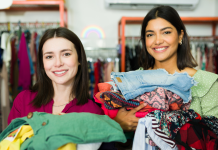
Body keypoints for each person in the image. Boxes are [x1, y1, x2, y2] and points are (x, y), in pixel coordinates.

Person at [114, 5, 218, 132]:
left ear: (180, 36)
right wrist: (117, 125)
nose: (157, 41)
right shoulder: (130, 79)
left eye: (166, 32)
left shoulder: (208, 82)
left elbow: (214, 136)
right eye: (150, 34)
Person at [8, 27, 104, 124]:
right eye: (49, 56)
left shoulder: (94, 113)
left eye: (66, 54)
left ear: (79, 59)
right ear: (42, 63)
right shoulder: (23, 101)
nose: (58, 63)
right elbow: (9, 138)